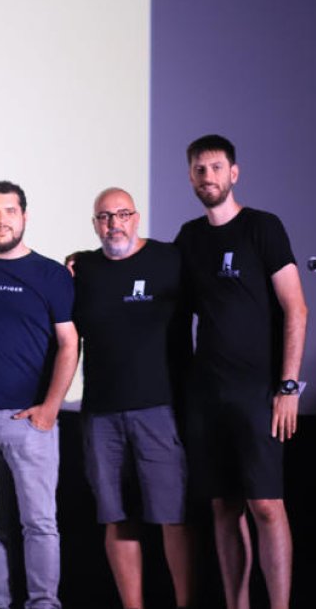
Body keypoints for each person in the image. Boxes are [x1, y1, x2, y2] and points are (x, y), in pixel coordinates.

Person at [174, 135, 308, 609]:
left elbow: (296, 308)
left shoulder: (262, 228)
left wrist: (288, 387)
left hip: (259, 393)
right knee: (224, 507)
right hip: (207, 395)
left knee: (266, 506)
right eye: (199, 169)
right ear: (191, 177)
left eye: (216, 167)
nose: (207, 176)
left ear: (234, 173)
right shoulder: (189, 238)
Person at [0, 181, 78, 609]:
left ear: (24, 216)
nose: (1, 220)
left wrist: (50, 409)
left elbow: (69, 344)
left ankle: (43, 602)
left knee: (39, 523)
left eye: (9, 211)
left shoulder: (51, 274)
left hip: (28, 420)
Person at [68, 188, 193, 609]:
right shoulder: (83, 269)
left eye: (122, 215)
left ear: (136, 218)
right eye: (104, 217)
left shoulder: (168, 259)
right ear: (94, 224)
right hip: (100, 415)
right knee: (116, 517)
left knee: (172, 516)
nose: (114, 224)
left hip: (158, 409)